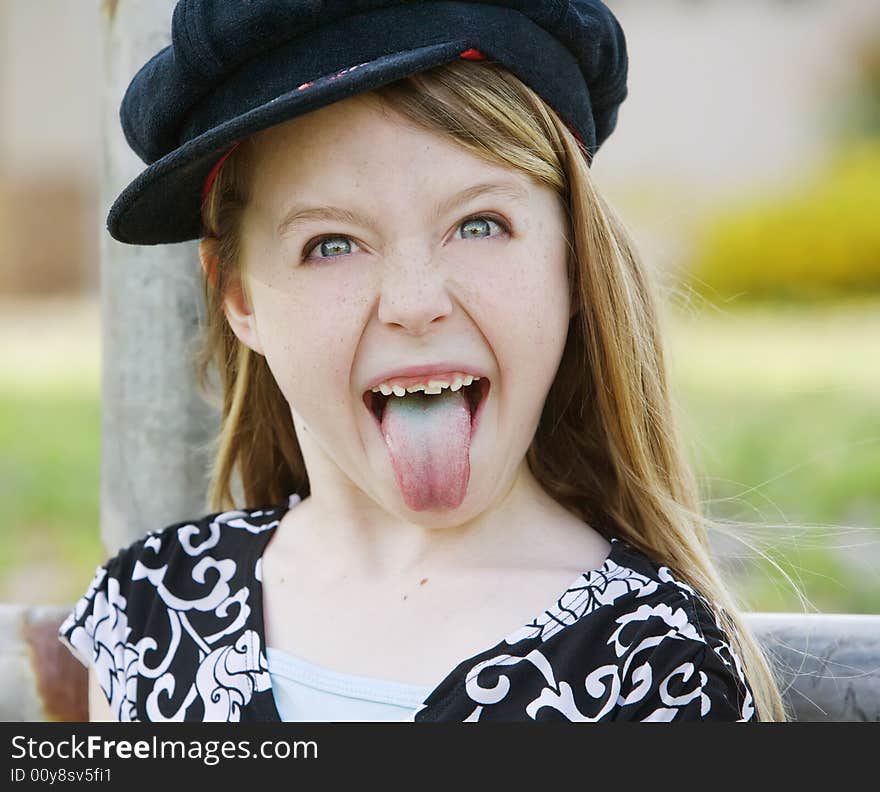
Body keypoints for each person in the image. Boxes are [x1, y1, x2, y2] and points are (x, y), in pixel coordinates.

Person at [58, 0, 787, 722]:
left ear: (573, 261)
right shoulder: (146, 613)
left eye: (479, 224)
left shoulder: (658, 670)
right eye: (331, 245)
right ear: (239, 295)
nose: (414, 302)